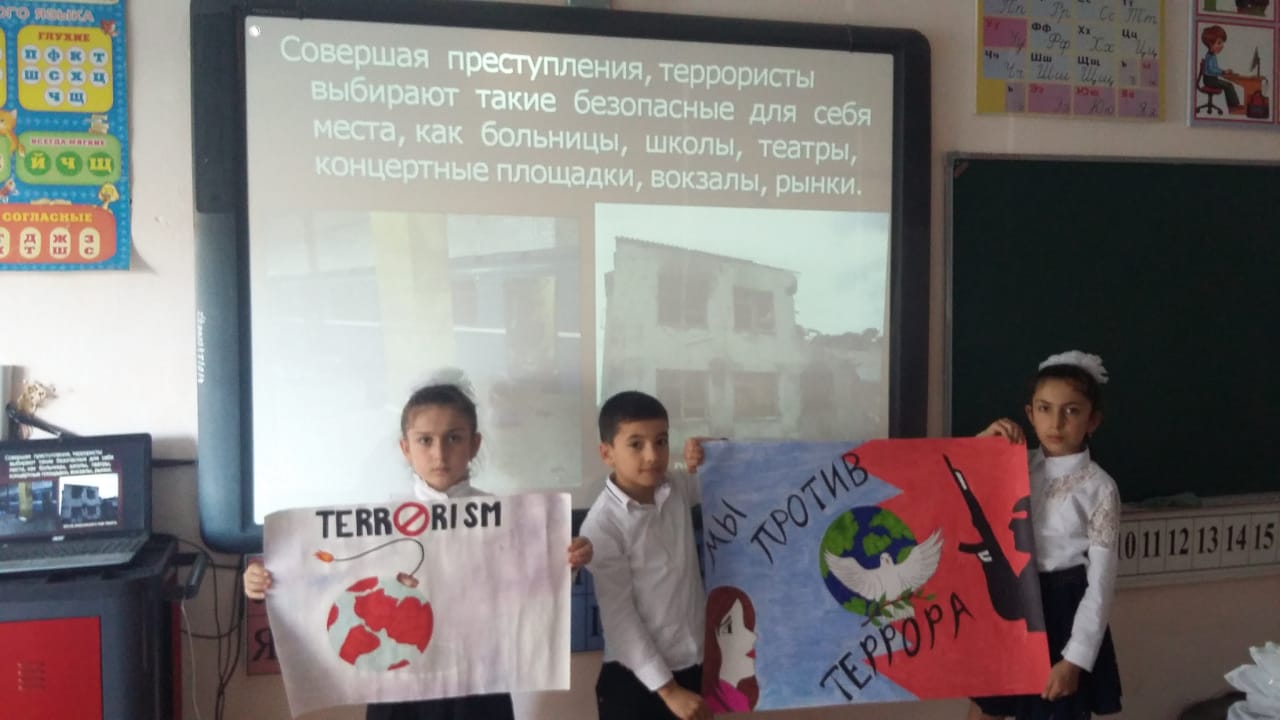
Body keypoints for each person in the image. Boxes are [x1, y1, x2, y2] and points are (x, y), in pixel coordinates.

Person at [243, 372, 593, 720]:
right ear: (406, 448)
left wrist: (566, 561)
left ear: (474, 444)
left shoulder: (506, 520)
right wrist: (265, 581)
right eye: (425, 440)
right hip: (399, 686)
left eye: (453, 438)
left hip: (478, 684)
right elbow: (324, 578)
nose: (439, 453)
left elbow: (531, 589)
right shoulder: (378, 525)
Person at [968, 350, 1123, 720]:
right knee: (986, 708)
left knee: (1051, 710)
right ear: (1029, 413)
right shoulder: (1013, 463)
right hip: (1011, 597)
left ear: (1093, 420)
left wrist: (1074, 659)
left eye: (1071, 411)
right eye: (1044, 409)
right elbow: (957, 493)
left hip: (1062, 610)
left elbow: (1100, 585)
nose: (1056, 422)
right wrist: (981, 445)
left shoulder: (1099, 488)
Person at [580, 390, 710, 720]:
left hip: (692, 668)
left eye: (661, 441)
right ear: (607, 453)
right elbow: (620, 620)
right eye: (636, 444)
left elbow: (719, 476)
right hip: (638, 682)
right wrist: (669, 691)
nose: (652, 456)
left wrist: (712, 452)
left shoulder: (676, 488)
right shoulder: (602, 525)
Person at [702, 585, 759, 713]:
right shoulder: (714, 703)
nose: (753, 637)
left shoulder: (740, 701)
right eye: (730, 628)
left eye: (749, 626)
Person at [1200, 25, 1242, 109]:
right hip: (1210, 81)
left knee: (1228, 85)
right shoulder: (1210, 56)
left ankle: (1233, 105)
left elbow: (1214, 68)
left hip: (1211, 79)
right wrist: (1223, 72)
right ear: (1210, 44)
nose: (1222, 45)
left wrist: (1224, 71)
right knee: (1228, 86)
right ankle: (1234, 106)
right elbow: (1211, 70)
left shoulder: (1212, 55)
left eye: (1222, 43)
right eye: (1219, 43)